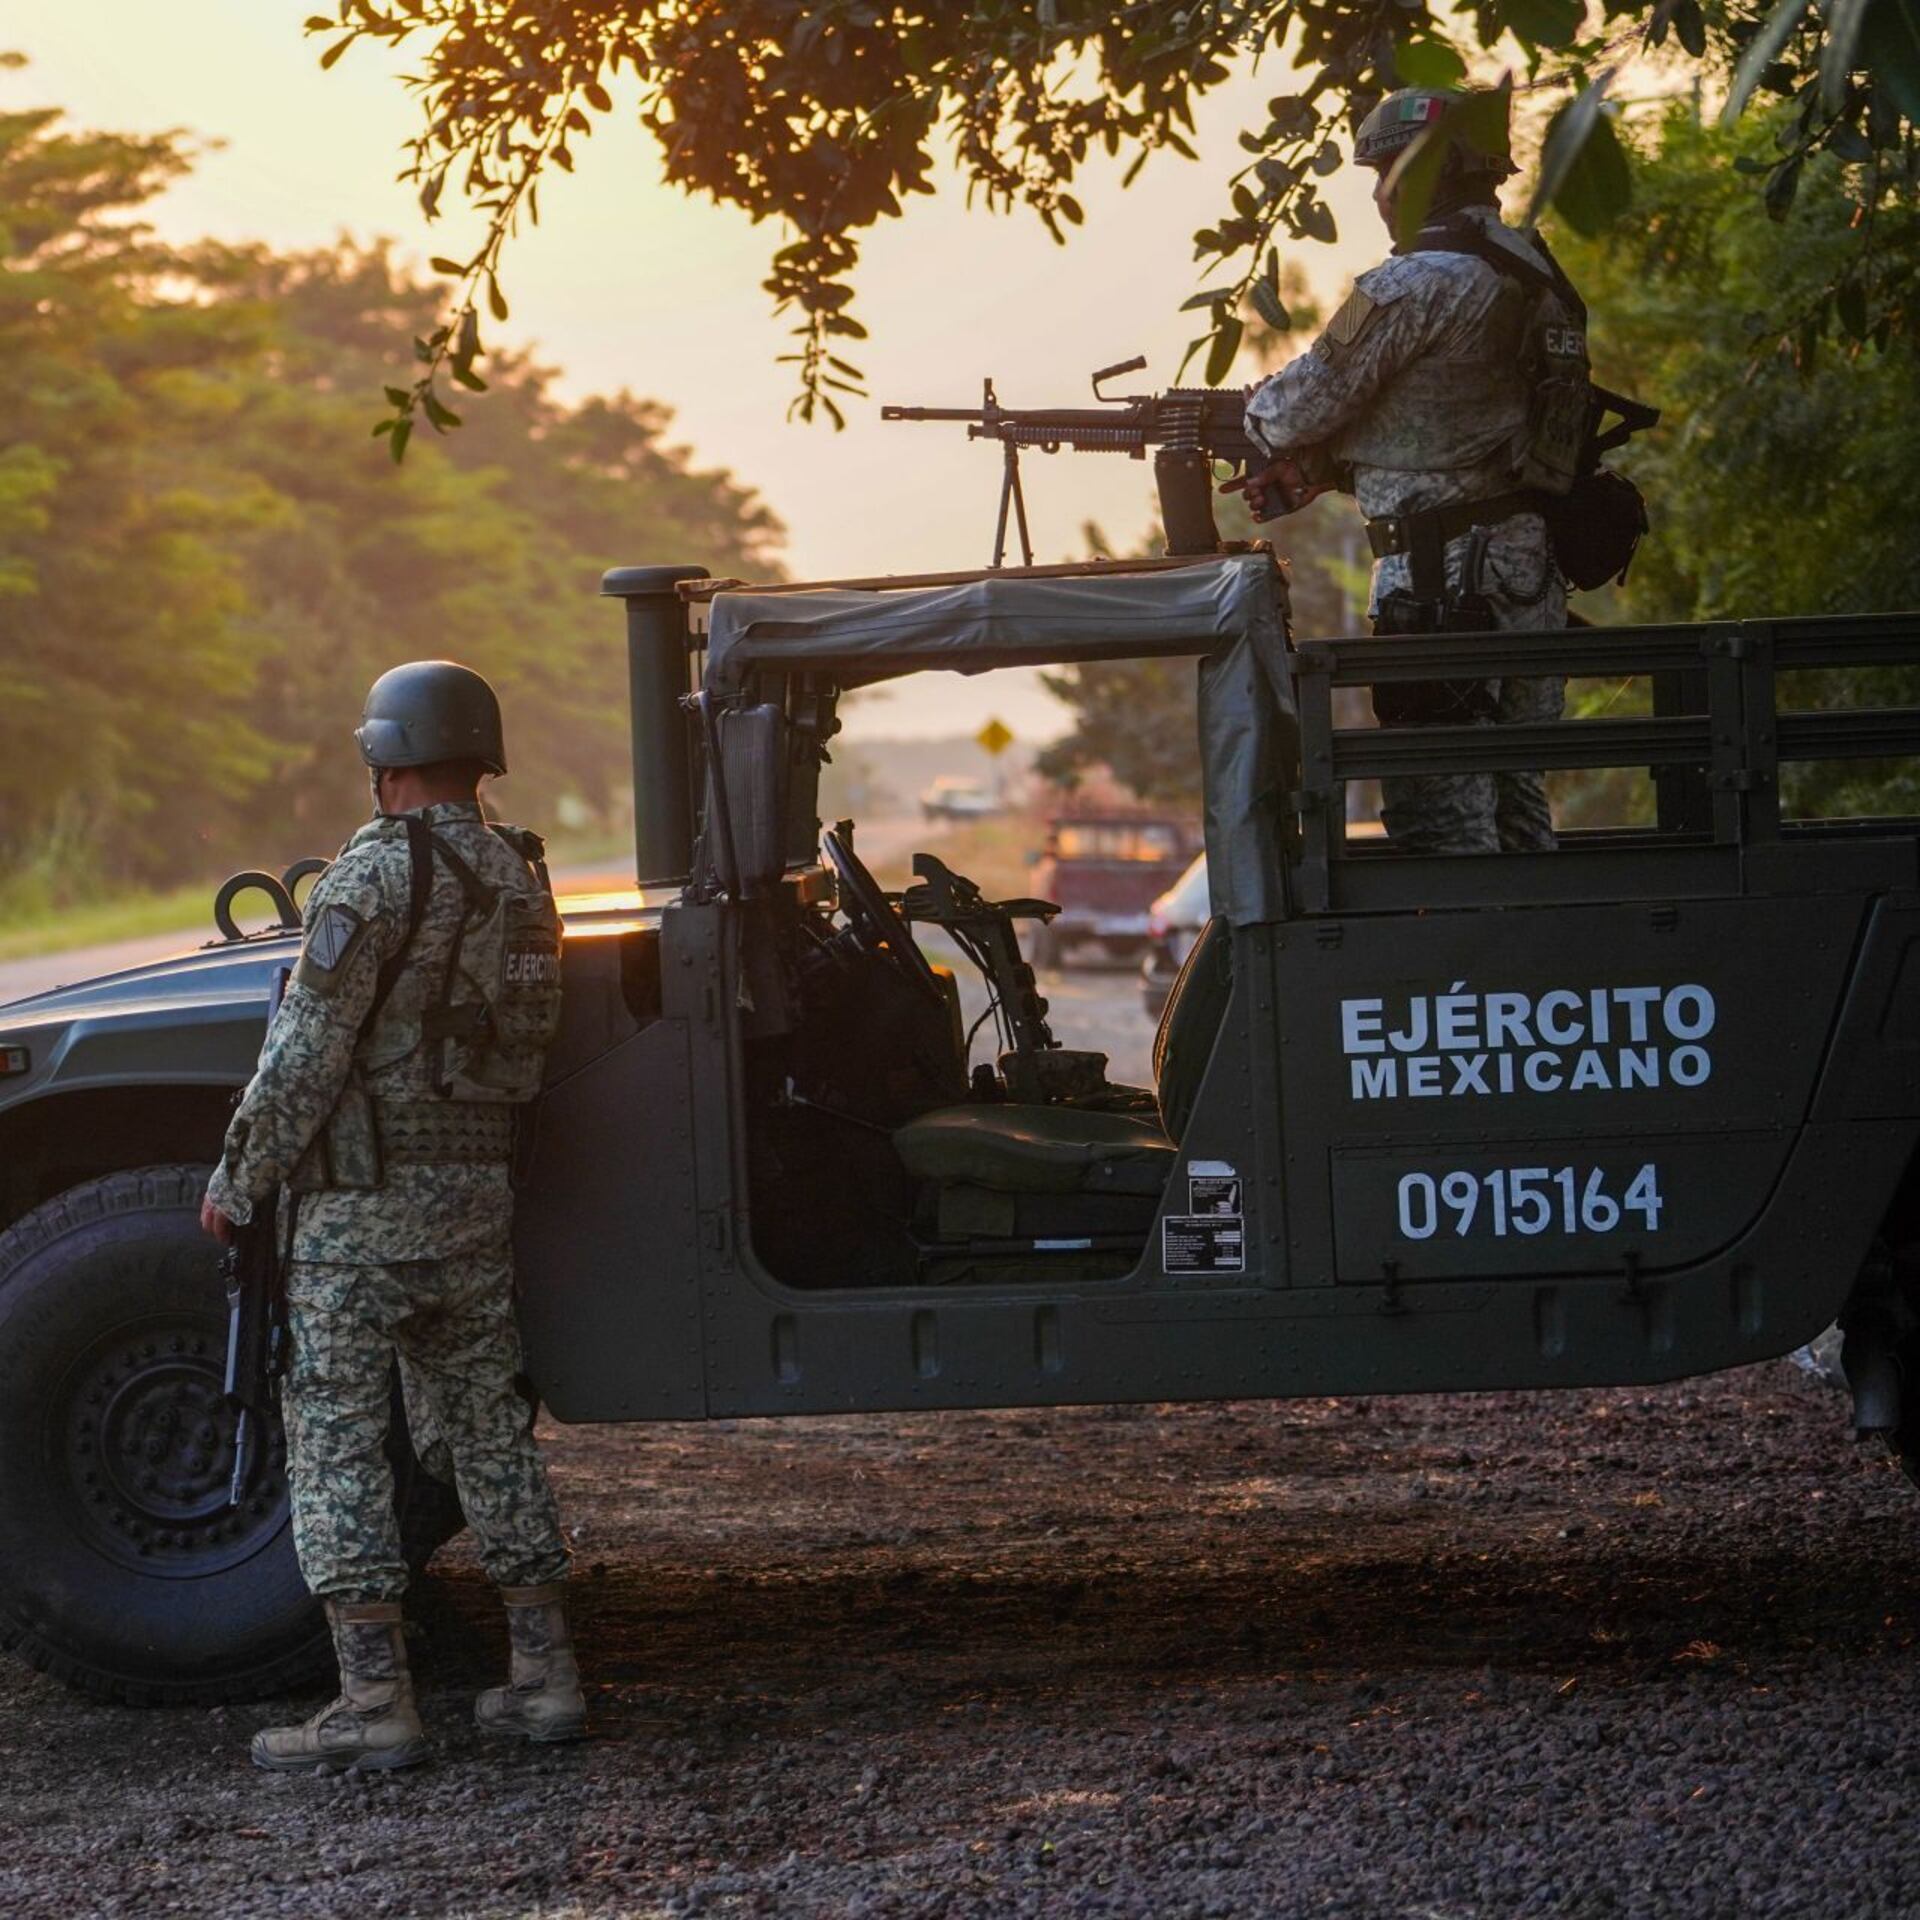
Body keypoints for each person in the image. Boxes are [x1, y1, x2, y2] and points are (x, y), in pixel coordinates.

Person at [201, 660, 581, 1772]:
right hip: (473, 1206)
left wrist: (237, 1181)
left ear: (387, 759)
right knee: (487, 1434)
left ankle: (375, 1703)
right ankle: (545, 1678)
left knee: (335, 1439)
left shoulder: (368, 879)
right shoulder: (522, 881)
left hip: (358, 1216)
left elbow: (305, 1055)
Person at [1232, 87, 1582, 856]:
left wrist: (1253, 418)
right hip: (1527, 576)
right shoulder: (1532, 267)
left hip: (1442, 581)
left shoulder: (1415, 284)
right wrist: (1333, 467)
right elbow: (1461, 427)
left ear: (1431, 173)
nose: (1380, 199)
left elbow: (1293, 408)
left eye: (1385, 176)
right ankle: (1540, 965)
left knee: (1440, 820)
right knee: (1519, 805)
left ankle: (1471, 972)